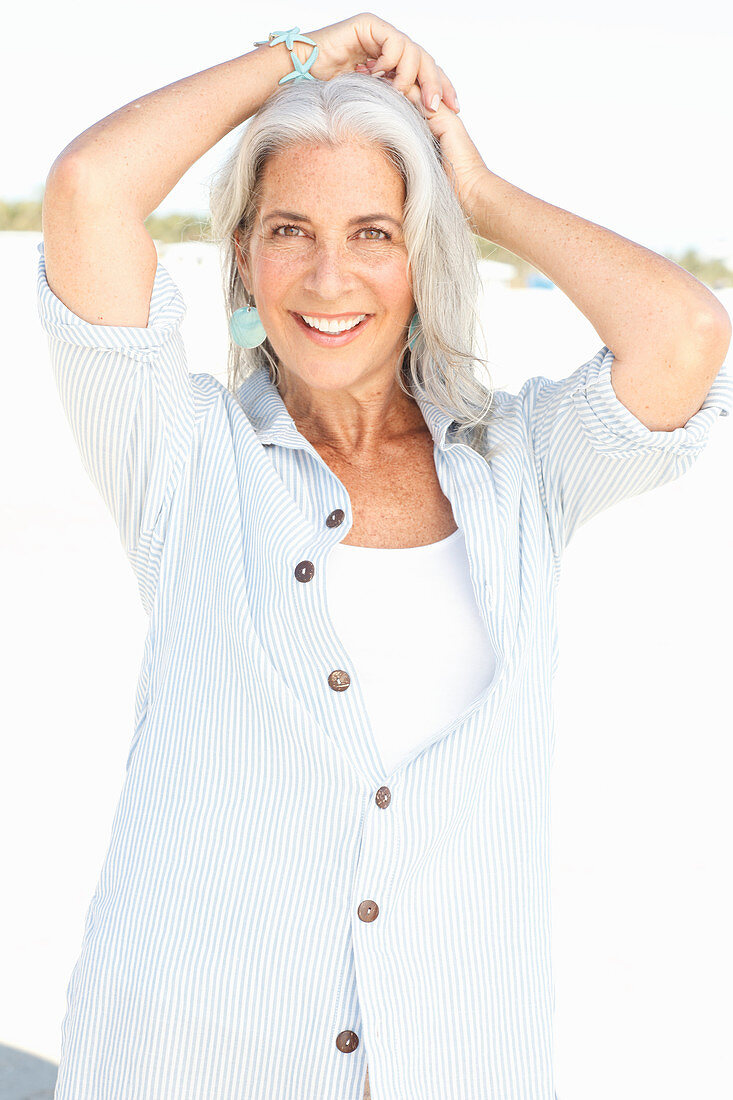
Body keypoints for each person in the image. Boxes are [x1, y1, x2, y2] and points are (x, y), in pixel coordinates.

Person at [37, 13, 731, 1100]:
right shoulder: (182, 455)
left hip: (453, 1062)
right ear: (242, 255)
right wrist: (302, 55)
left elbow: (683, 336)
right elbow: (88, 187)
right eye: (288, 230)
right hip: (185, 1061)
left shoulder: (520, 466)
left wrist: (483, 193)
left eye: (374, 231)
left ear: (423, 253)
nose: (328, 277)